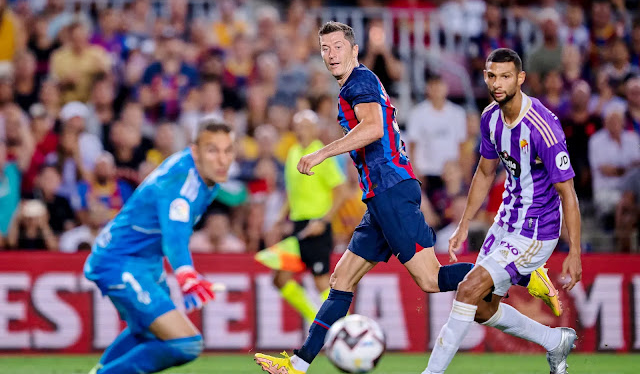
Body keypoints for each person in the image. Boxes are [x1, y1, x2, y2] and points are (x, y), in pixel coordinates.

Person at [254, 23, 559, 374]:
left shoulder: (360, 81)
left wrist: (323, 153)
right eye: (325, 49)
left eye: (338, 47)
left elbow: (372, 129)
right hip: (381, 195)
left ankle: (524, 275)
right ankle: (298, 363)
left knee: (431, 279)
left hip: (390, 191)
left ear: (354, 51)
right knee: (341, 279)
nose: (332, 54)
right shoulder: (355, 84)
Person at [422, 48, 583, 374]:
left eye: (506, 76)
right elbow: (484, 172)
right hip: (505, 222)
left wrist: (575, 250)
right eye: (492, 75)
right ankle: (554, 341)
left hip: (537, 231)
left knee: (467, 289)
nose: (498, 83)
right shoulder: (490, 118)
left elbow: (569, 192)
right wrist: (464, 224)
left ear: (520, 78)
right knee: (481, 308)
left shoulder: (542, 128)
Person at [84, 118, 235, 374]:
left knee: (151, 334)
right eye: (213, 150)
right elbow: (174, 236)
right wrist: (186, 273)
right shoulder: (181, 183)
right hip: (121, 261)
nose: (222, 159)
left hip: (144, 261)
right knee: (186, 344)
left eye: (228, 150)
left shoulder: (205, 176)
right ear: (195, 151)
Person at [255, 109, 348, 324]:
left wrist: (324, 221)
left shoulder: (321, 154)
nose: (301, 130)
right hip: (297, 225)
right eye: (298, 126)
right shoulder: (293, 153)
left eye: (306, 126)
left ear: (315, 130)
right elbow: (291, 191)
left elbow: (341, 191)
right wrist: (279, 218)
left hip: (317, 224)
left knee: (321, 282)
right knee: (280, 279)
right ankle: (315, 318)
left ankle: (346, 327)